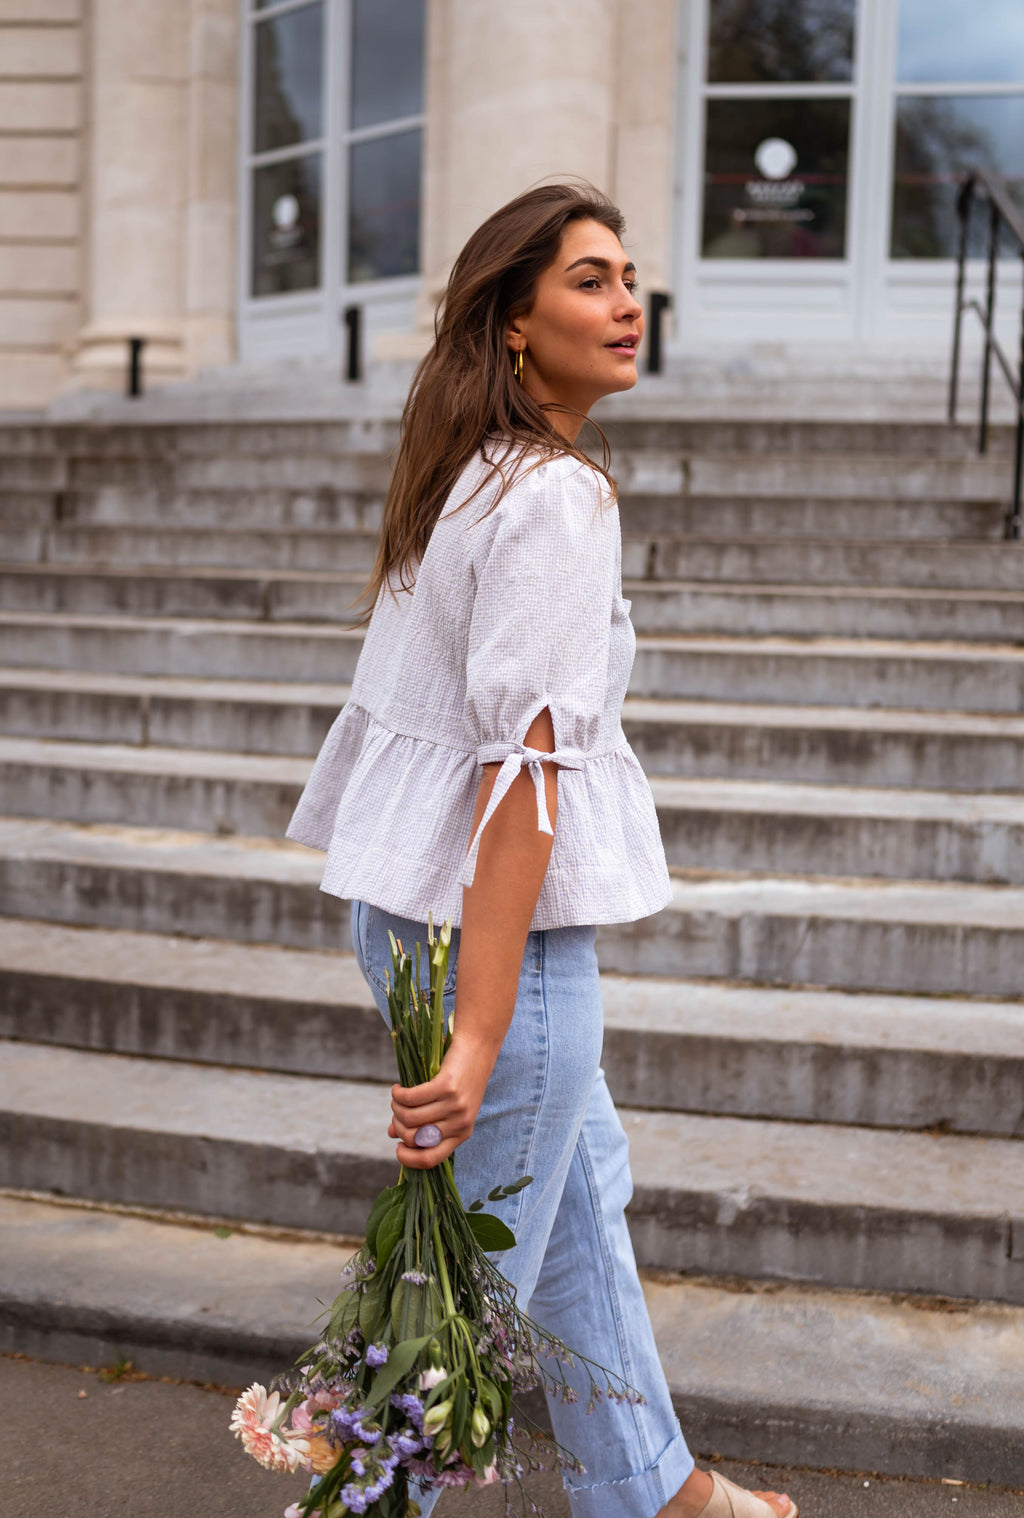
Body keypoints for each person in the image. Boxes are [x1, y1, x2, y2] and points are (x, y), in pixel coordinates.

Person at [286, 182, 797, 1518]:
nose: (626, 301)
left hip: (410, 909)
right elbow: (522, 784)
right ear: (514, 322)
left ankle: (653, 1484)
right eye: (587, 279)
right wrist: (477, 1030)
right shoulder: (559, 496)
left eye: (629, 275)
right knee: (459, 1303)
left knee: (577, 1211)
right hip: (489, 937)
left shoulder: (468, 471)